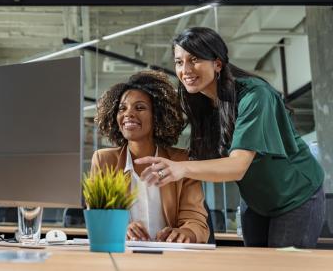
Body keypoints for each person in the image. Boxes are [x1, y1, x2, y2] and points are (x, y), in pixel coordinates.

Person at [137, 27, 325, 248]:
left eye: (194, 59)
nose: (185, 69)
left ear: (217, 63)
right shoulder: (202, 102)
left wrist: (182, 168)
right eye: (179, 62)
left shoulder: (255, 95)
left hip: (295, 195)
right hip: (256, 200)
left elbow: (238, 165)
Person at [91, 71, 209, 244]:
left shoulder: (182, 161)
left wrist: (185, 232)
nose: (128, 114)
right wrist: (120, 228)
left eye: (139, 107)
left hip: (171, 258)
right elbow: (98, 217)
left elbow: (196, 221)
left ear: (158, 115)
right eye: (122, 108)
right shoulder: (104, 160)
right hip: (123, 255)